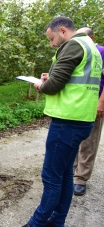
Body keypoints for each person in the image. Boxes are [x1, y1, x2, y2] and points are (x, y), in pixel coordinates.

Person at [23, 16, 102, 227]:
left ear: (63, 31)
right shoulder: (91, 47)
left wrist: (41, 85)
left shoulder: (73, 45)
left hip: (68, 121)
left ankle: (36, 223)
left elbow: (55, 85)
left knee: (51, 177)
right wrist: (51, 78)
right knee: (66, 174)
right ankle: (57, 221)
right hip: (82, 119)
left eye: (52, 38)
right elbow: (73, 80)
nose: (52, 44)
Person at [73, 27, 104, 196]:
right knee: (75, 138)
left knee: (88, 142)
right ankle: (73, 170)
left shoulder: (101, 52)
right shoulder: (79, 52)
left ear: (92, 37)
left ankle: (81, 178)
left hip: (94, 103)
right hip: (78, 103)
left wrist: (101, 103)